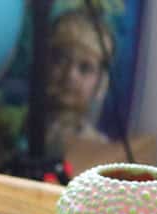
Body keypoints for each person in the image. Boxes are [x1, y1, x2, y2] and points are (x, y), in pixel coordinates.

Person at [46, 8, 113, 156]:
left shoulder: (100, 152)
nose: (70, 75)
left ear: (101, 83)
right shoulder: (10, 132)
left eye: (85, 68)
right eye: (61, 59)